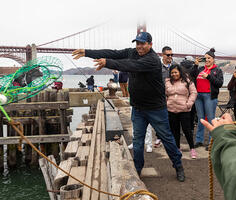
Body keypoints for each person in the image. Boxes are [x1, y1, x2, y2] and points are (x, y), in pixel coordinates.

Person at [72, 31, 185, 182]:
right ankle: (137, 170)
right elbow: (113, 53)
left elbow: (132, 66)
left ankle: (178, 166)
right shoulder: (132, 52)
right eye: (137, 43)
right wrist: (87, 52)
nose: (139, 46)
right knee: (137, 142)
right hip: (138, 108)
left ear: (150, 45)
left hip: (156, 109)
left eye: (142, 43)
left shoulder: (152, 60)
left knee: (167, 139)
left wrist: (108, 63)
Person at [191, 48, 224, 150]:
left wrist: (209, 76)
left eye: (209, 58)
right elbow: (192, 75)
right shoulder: (200, 69)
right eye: (205, 58)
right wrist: (196, 65)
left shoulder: (217, 70)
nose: (207, 60)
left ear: (213, 59)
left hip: (209, 96)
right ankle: (199, 140)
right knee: (200, 119)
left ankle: (211, 142)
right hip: (199, 96)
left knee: (210, 120)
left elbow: (219, 84)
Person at [165, 64, 197, 159]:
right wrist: (166, 103)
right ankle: (177, 148)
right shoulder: (167, 82)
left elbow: (194, 92)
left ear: (180, 72)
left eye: (176, 72)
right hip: (171, 109)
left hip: (184, 109)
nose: (174, 74)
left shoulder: (187, 81)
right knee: (175, 131)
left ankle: (192, 148)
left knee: (187, 130)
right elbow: (164, 94)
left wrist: (189, 103)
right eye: (172, 73)